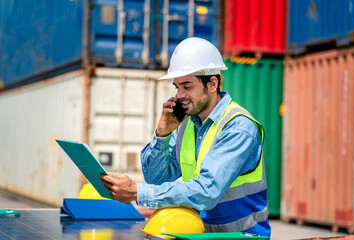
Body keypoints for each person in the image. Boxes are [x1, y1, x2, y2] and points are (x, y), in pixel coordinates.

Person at [100, 37, 271, 236]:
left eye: (187, 86)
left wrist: (138, 192)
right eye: (177, 86)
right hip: (202, 233)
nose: (180, 94)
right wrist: (162, 135)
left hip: (242, 236)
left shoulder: (238, 128)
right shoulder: (186, 125)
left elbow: (207, 192)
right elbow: (157, 179)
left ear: (212, 84)